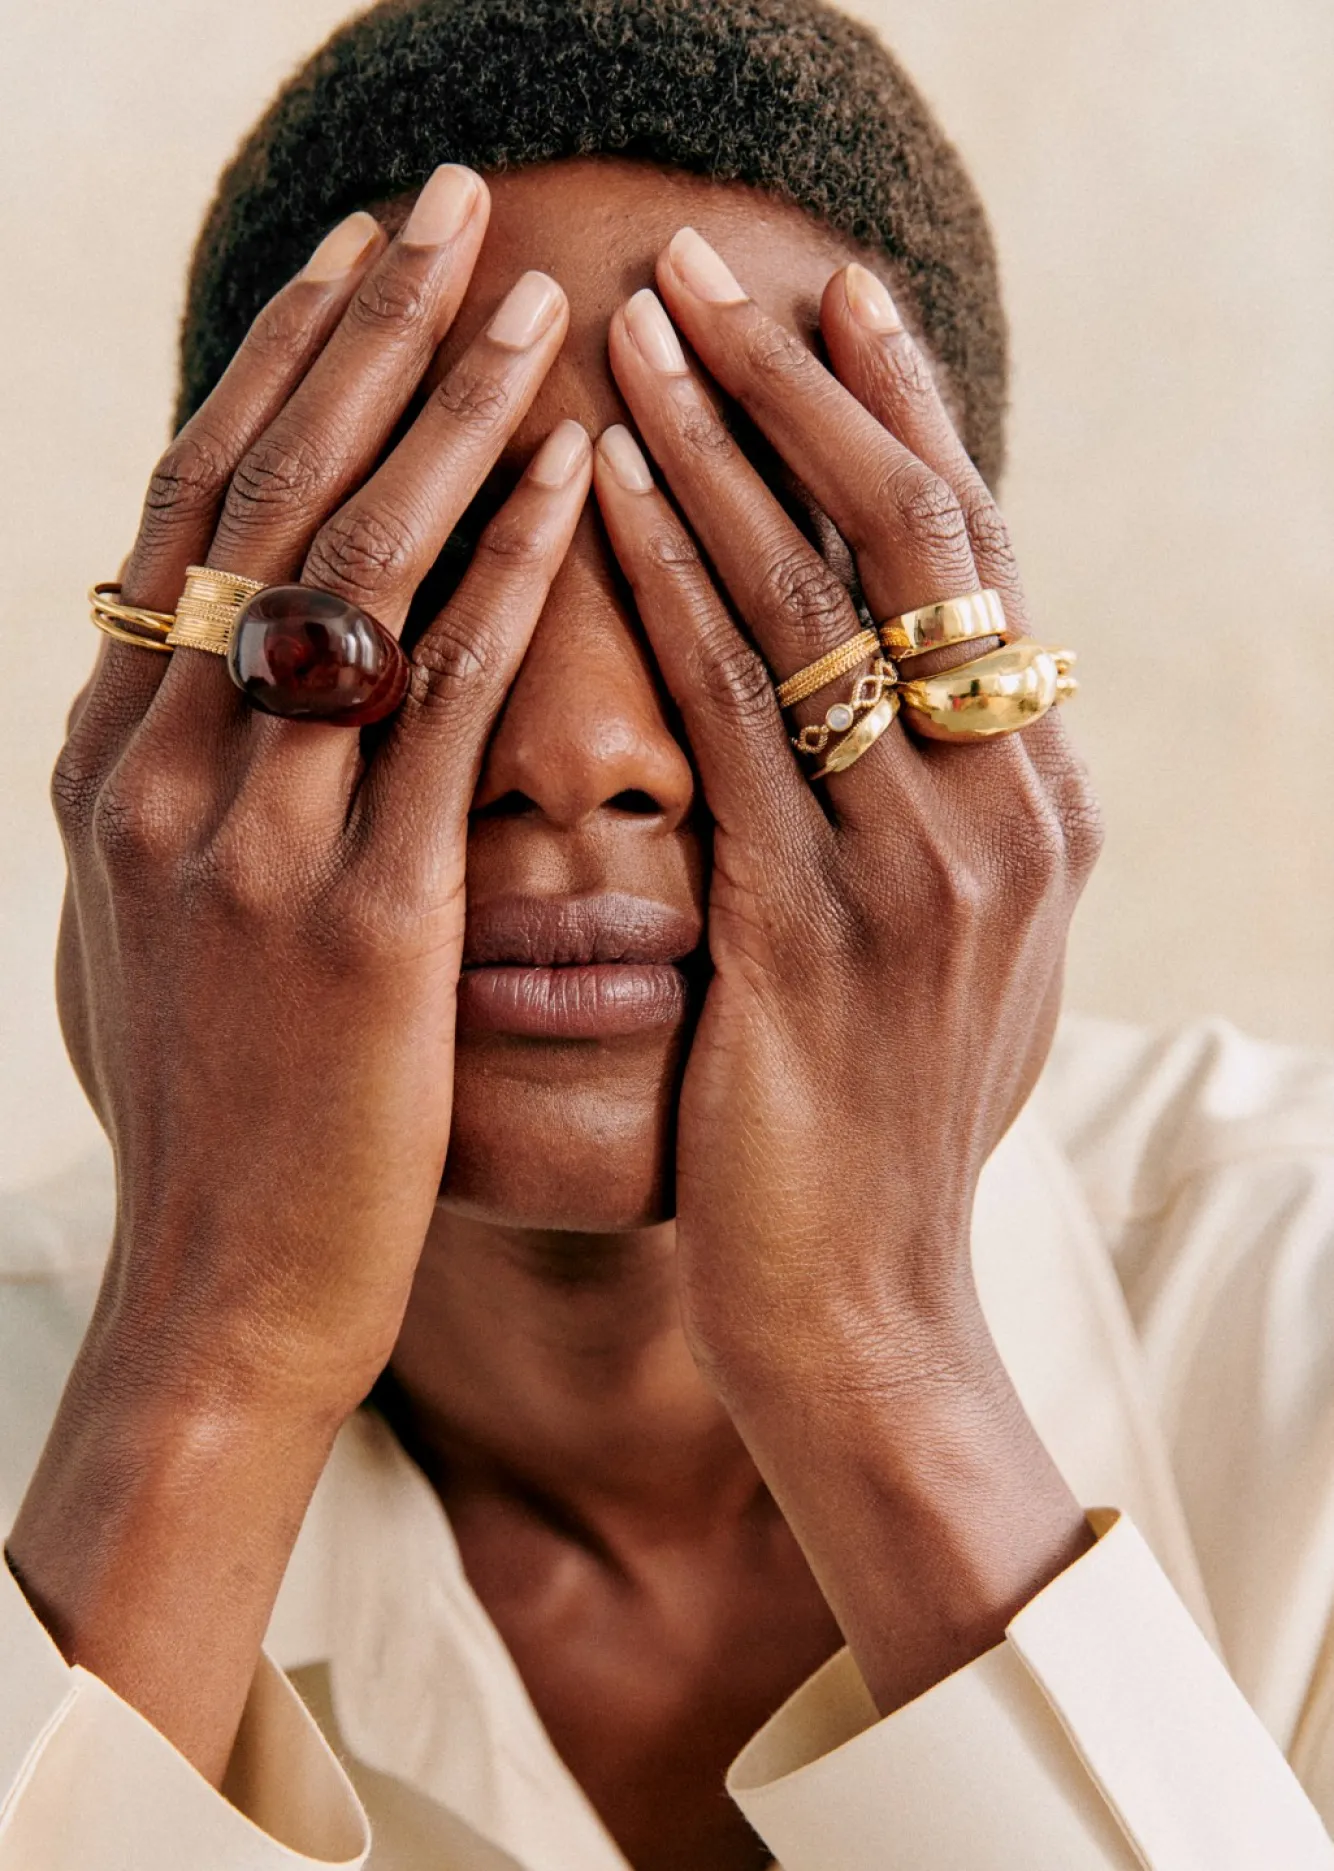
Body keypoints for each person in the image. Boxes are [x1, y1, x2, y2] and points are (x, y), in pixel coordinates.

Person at [2, 0, 1332, 1864]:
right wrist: (211, 1348)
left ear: (971, 671)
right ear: (184, 678)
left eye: (740, 559)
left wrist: (875, 1356)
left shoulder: (1293, 1316)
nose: (580, 754)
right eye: (432, 546)